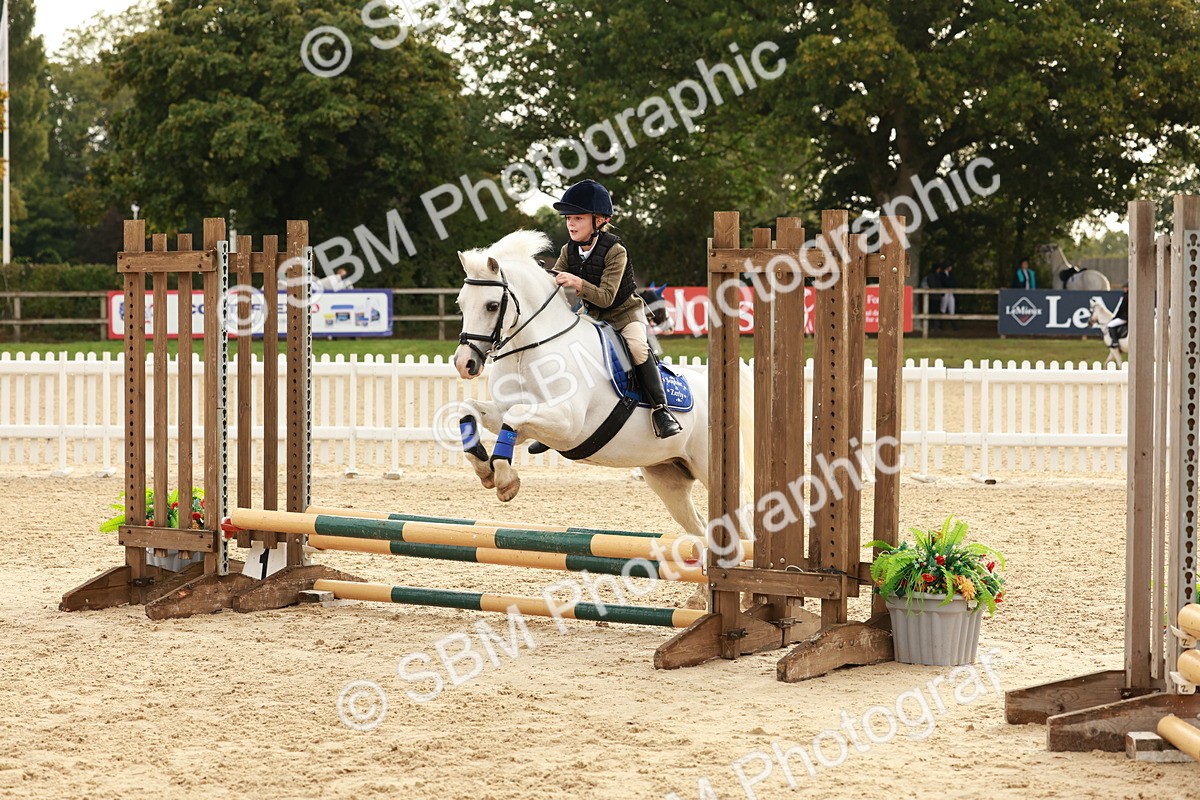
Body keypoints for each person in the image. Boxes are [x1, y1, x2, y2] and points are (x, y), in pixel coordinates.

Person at [529, 179, 682, 452]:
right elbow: (555, 280)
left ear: (599, 220)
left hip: (624, 314)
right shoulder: (568, 250)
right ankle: (555, 419)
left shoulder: (616, 251)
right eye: (568, 218)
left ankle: (661, 410)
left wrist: (576, 283)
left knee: (637, 348)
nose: (571, 224)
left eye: (578, 218)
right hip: (590, 315)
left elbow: (606, 297)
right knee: (566, 349)